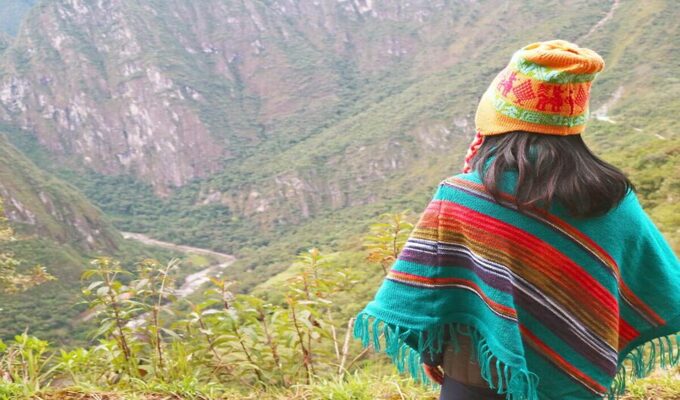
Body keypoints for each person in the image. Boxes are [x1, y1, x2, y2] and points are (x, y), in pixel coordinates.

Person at [352, 39, 680, 400]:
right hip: (572, 386)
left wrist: (432, 351)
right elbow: (660, 283)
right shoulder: (613, 199)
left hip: (475, 378)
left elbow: (431, 292)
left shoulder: (462, 197)